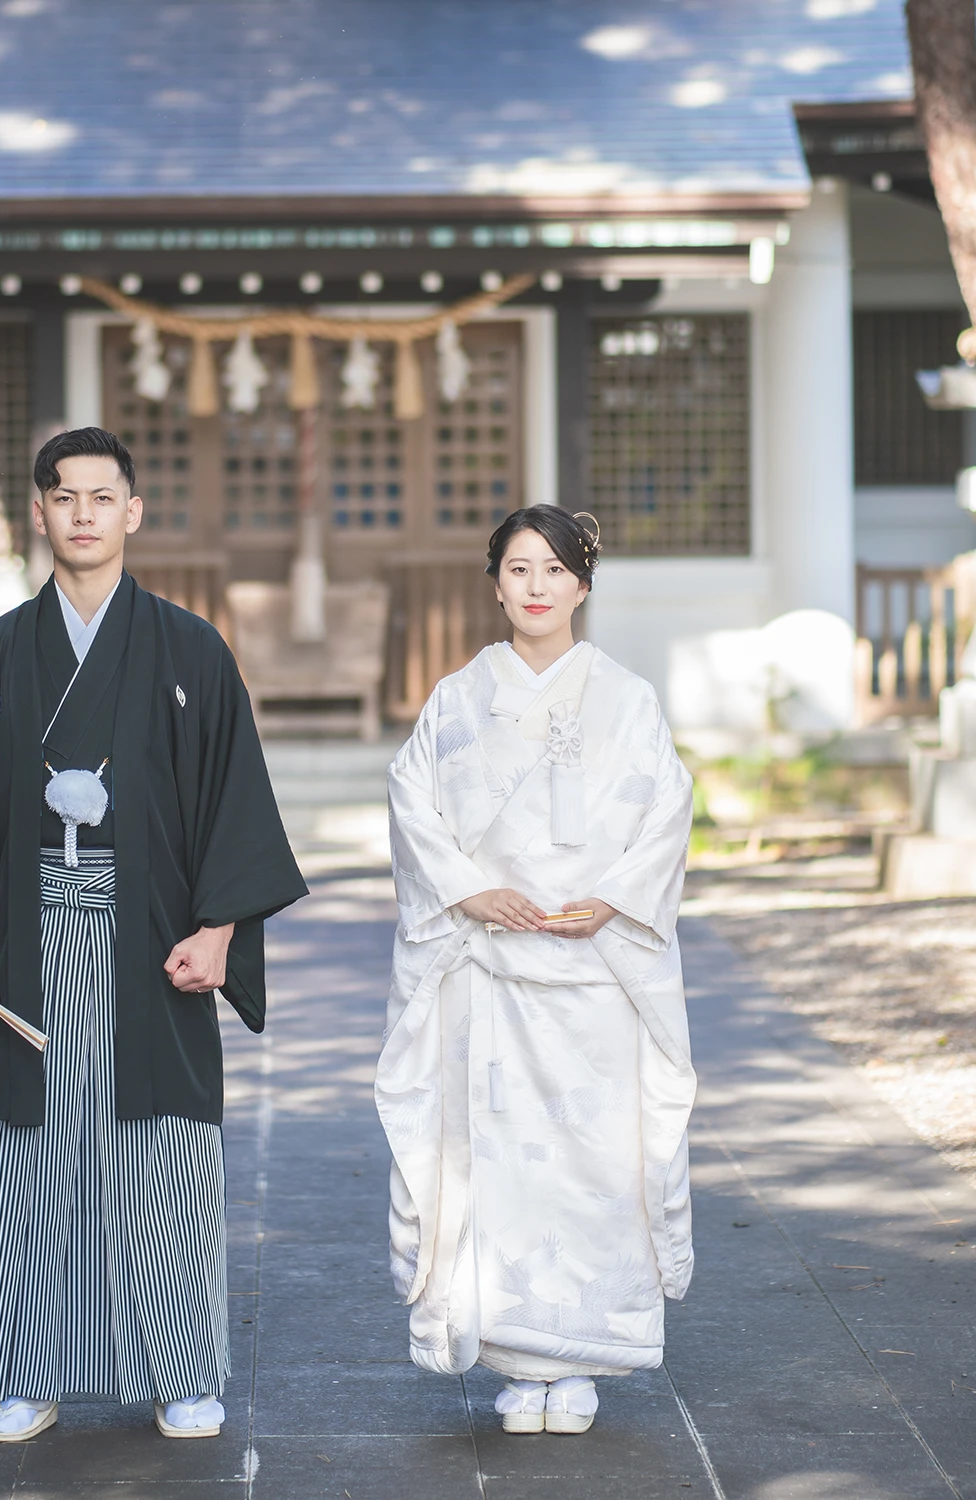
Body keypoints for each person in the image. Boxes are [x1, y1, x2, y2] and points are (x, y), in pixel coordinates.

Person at [0, 426, 306, 1444]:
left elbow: (235, 804)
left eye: (102, 497)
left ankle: (182, 1373)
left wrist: (221, 929)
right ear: (37, 511)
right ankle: (25, 1374)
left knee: (161, 1160)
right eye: (63, 496)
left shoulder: (190, 651)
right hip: (22, 949)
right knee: (25, 1160)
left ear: (133, 512)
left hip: (154, 948)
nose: (82, 513)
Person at [375, 506, 695, 1436]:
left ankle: (586, 1355)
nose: (538, 586)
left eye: (555, 570)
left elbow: (666, 811)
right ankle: (518, 1356)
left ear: (583, 586)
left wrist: (619, 897)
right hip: (489, 964)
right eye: (519, 569)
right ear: (498, 584)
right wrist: (469, 889)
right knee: (500, 1164)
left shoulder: (628, 700)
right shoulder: (457, 699)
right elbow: (412, 802)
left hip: (594, 964)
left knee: (595, 1158)